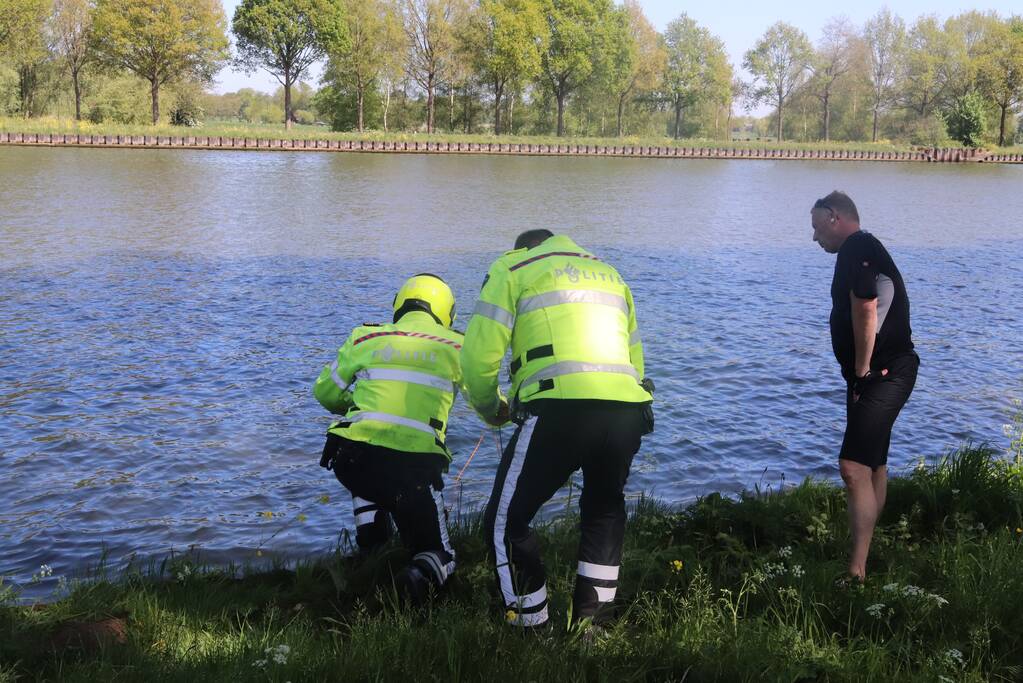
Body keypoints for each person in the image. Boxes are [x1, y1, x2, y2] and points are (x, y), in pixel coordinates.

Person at [460, 229, 654, 628]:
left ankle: (531, 628)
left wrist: (492, 410)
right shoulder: (609, 273)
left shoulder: (512, 268)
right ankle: (593, 627)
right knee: (603, 510)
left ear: (522, 248)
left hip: (559, 407)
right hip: (626, 408)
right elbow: (635, 357)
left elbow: (477, 361)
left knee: (505, 521)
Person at [313, 274, 464, 602]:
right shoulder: (457, 346)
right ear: (447, 311)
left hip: (352, 458)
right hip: (414, 469)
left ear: (399, 304)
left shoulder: (365, 336)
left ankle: (373, 549)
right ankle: (415, 579)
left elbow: (324, 392)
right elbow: (483, 394)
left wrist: (357, 407)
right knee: (441, 554)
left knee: (369, 474)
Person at [811, 191, 919, 580]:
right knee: (873, 466)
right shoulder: (863, 247)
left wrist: (860, 371)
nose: (814, 237)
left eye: (816, 227)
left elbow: (866, 304)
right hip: (882, 372)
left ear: (834, 217)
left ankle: (856, 573)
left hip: (883, 374)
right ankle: (867, 557)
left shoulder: (856, 246)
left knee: (852, 467)